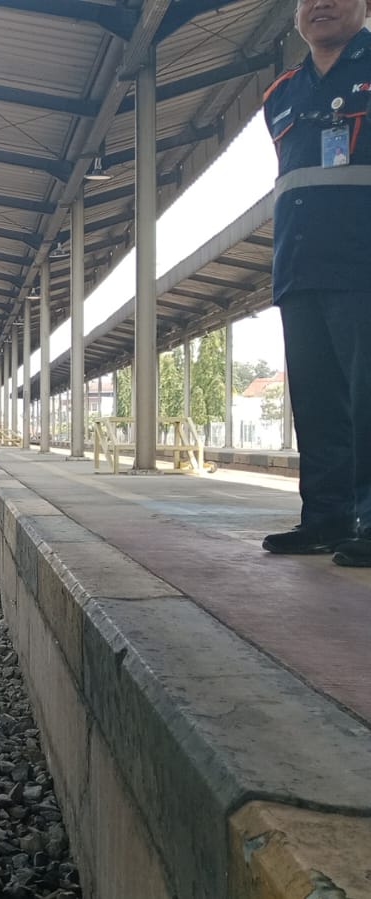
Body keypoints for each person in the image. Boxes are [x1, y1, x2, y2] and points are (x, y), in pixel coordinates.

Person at [259, 0, 371, 566]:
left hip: (362, 263)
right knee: (317, 403)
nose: (319, 4)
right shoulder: (281, 94)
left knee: (367, 399)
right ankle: (325, 518)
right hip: (299, 268)